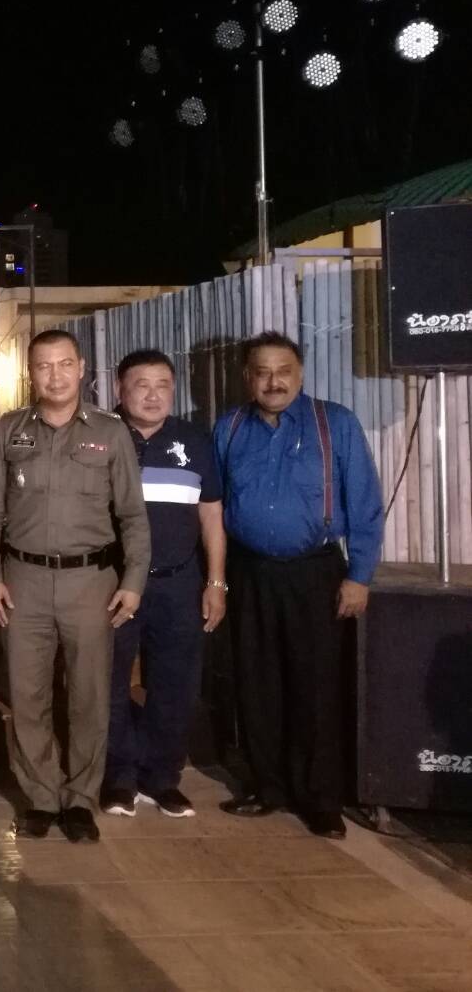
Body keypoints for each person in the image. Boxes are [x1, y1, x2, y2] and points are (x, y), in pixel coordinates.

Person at [0, 329, 150, 843]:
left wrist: (133, 581)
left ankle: (79, 799)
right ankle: (42, 797)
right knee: (27, 696)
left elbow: (134, 517)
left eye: (64, 364)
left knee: (90, 696)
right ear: (31, 373)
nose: (55, 375)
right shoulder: (7, 433)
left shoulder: (111, 433)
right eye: (44, 366)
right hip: (22, 580)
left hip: (91, 582)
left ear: (82, 368)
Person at [215, 331, 384, 839]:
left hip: (316, 574)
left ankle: (319, 798)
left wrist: (359, 576)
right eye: (262, 372)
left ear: (301, 374)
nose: (273, 381)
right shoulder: (230, 428)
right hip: (250, 572)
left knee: (315, 686)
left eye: (283, 370)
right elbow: (215, 507)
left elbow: (367, 505)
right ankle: (267, 787)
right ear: (248, 378)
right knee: (257, 682)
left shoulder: (335, 424)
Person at [100, 350, 226, 821]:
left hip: (180, 583)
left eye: (162, 385)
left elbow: (211, 515)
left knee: (176, 686)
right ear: (119, 390)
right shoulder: (101, 436)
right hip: (115, 583)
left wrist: (216, 582)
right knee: (110, 683)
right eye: (141, 384)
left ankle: (162, 778)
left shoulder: (194, 439)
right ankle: (119, 777)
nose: (152, 395)